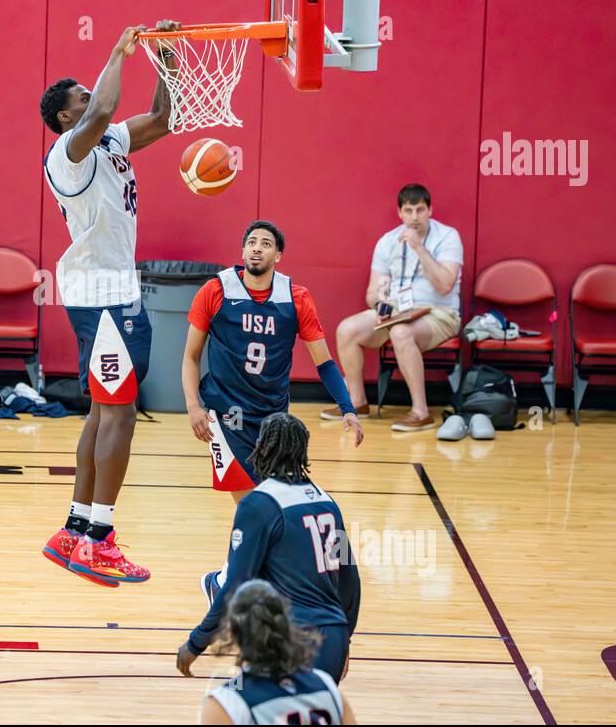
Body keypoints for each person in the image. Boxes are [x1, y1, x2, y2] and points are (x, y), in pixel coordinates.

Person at [38, 22, 179, 588]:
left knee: (102, 409)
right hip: (101, 294)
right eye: (81, 100)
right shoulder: (66, 154)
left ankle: (76, 529)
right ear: (68, 117)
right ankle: (101, 540)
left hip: (108, 290)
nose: (91, 104)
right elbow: (102, 108)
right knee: (120, 411)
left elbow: (163, 120)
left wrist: (165, 61)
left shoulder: (110, 140)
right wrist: (121, 49)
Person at [182, 219, 362, 600]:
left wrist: (347, 407)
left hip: (273, 420)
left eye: (265, 244)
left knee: (272, 509)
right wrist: (193, 407)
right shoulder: (215, 290)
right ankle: (241, 587)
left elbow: (325, 362)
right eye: (251, 242)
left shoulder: (296, 297)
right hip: (223, 417)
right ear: (242, 251)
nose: (256, 248)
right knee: (253, 507)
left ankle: (225, 581)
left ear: (278, 255)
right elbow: (190, 356)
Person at [177, 413, 360, 681]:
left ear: (262, 448)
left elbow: (235, 585)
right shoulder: (327, 502)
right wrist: (345, 640)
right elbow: (350, 580)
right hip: (333, 636)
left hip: (289, 636)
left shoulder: (259, 504)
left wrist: (195, 643)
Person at [325, 184, 463, 432]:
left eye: (420, 210)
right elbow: (372, 292)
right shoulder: (387, 241)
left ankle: (420, 412)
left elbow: (444, 285)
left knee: (402, 333)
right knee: (347, 329)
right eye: (408, 210)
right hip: (397, 312)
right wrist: (381, 306)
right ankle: (357, 402)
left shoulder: (448, 237)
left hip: (439, 313)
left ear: (430, 210)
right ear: (399, 212)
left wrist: (419, 247)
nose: (414, 217)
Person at [195, 580, 356, 725]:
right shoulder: (326, 685)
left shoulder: (225, 703)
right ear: (288, 625)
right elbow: (351, 580)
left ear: (233, 633)